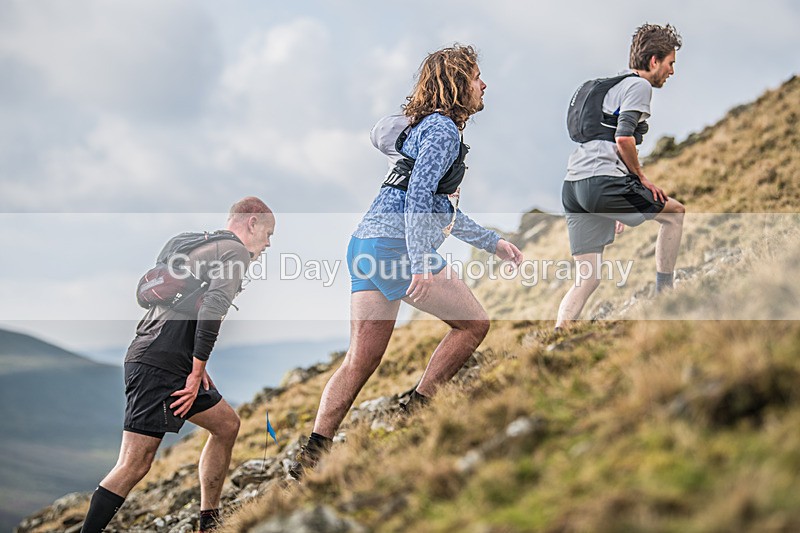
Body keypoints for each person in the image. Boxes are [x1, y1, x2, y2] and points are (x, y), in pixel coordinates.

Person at [289, 44, 523, 479]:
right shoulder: (442, 132)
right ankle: (418, 410)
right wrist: (419, 261)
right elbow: (418, 199)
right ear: (456, 84)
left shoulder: (426, 129)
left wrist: (492, 243)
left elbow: (437, 207)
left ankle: (312, 455)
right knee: (474, 325)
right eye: (476, 76)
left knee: (360, 360)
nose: (484, 84)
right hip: (395, 248)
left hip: (365, 245)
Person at [80, 197, 275, 533]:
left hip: (165, 356)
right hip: (160, 363)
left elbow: (185, 308)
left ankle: (209, 521)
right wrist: (196, 370)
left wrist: (197, 367)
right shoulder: (234, 253)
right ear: (252, 222)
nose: (269, 243)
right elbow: (213, 309)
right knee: (134, 464)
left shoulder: (201, 245)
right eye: (269, 232)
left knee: (227, 425)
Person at [556, 23, 686, 329]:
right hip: (602, 182)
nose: (671, 72)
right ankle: (665, 294)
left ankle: (557, 337)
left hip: (573, 186)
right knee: (675, 213)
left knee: (587, 277)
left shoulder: (613, 85)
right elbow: (624, 138)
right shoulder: (639, 86)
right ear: (654, 61)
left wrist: (609, 203)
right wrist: (640, 178)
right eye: (670, 64)